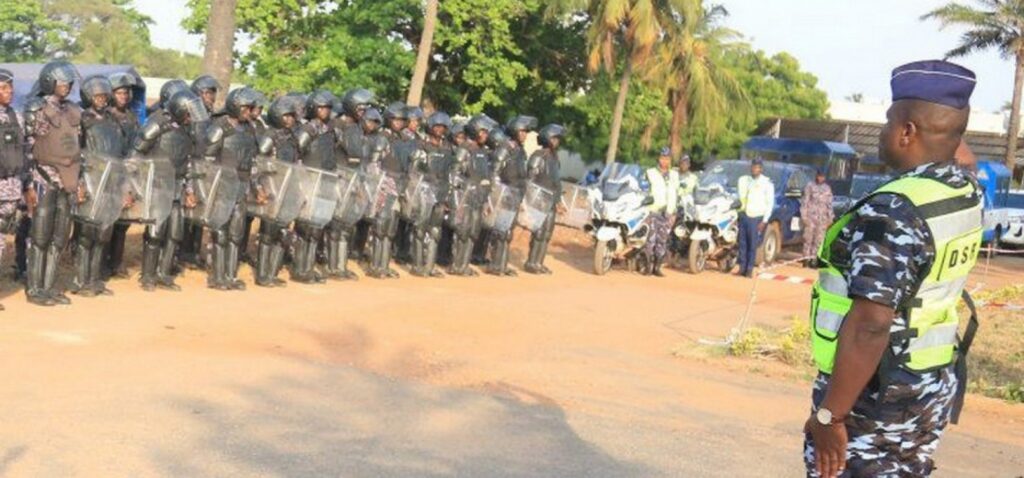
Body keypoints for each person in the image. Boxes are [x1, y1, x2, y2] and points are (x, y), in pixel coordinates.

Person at [803, 60, 984, 478]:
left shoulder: (893, 212)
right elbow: (963, 156)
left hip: (874, 399)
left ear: (907, 132)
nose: (884, 131)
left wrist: (831, 417)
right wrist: (951, 129)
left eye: (889, 120)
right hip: (928, 387)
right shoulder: (962, 191)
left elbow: (870, 324)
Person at [134, 90, 205, 291]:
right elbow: (137, 152)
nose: (191, 118)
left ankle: (164, 274)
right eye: (189, 113)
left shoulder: (188, 130)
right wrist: (139, 184)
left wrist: (190, 189)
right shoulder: (157, 124)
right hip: (157, 185)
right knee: (156, 233)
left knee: (175, 233)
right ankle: (148, 276)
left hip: (178, 186)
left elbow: (189, 162)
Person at [24, 61, 82, 306]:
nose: (66, 86)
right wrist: (28, 183)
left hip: (67, 180)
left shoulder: (73, 111)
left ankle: (50, 286)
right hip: (44, 178)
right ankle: (35, 289)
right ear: (50, 82)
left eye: (69, 82)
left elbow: (80, 146)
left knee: (59, 237)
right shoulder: (36, 109)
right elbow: (27, 146)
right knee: (40, 236)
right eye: (61, 82)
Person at [72, 75, 128, 298]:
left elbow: (121, 154)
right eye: (97, 95)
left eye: (104, 95)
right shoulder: (82, 120)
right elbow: (76, 153)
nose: (102, 99)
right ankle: (81, 280)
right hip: (91, 181)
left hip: (111, 183)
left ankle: (95, 279)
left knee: (103, 234)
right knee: (87, 234)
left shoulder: (113, 121)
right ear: (88, 97)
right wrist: (81, 183)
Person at [203, 87, 261, 291]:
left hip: (242, 186)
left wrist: (256, 186)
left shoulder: (250, 129)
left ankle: (230, 275)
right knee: (220, 232)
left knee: (236, 233)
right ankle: (217, 277)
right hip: (222, 187)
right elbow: (207, 159)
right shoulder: (219, 128)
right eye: (245, 107)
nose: (248, 111)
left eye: (250, 107)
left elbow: (254, 161)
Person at [293, 90, 342, 283]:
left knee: (317, 229)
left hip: (326, 181)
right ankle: (299, 269)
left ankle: (309, 267)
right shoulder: (307, 130)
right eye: (321, 107)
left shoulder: (330, 130)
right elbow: (297, 155)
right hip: (310, 180)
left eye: (328, 108)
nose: (325, 111)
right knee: (305, 228)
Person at [102, 72, 141, 280]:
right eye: (119, 93)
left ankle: (116, 263)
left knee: (123, 222)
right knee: (105, 222)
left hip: (127, 173)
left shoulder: (133, 117)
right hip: (107, 174)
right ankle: (101, 266)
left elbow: (137, 144)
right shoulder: (105, 116)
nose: (124, 97)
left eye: (126, 93)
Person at [486, 115, 536, 276]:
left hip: (516, 195)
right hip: (504, 195)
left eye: (526, 132)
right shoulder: (504, 148)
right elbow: (494, 172)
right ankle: (494, 265)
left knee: (508, 233)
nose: (524, 134)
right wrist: (496, 195)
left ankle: (502, 265)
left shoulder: (521, 151)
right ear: (514, 131)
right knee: (500, 232)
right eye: (521, 131)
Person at [448, 114, 496, 276]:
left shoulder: (482, 151)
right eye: (482, 131)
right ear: (474, 130)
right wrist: (456, 200)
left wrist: (487, 198)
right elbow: (454, 175)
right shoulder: (464, 149)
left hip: (479, 199)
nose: (485, 135)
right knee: (462, 232)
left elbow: (486, 177)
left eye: (486, 132)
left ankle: (464, 264)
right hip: (465, 198)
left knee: (473, 233)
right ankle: (456, 264)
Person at [409, 111, 454, 278]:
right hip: (424, 192)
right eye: (437, 126)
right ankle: (417, 265)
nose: (440, 129)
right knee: (420, 229)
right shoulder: (421, 145)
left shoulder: (448, 148)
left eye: (443, 127)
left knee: (435, 231)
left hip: (441, 194)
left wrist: (448, 196)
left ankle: (429, 266)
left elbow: (450, 173)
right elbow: (414, 169)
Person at [0, 69, 27, 311]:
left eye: (10, 88)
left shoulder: (16, 116)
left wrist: (26, 185)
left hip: (10, 187)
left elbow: (24, 151)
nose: (9, 92)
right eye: (3, 88)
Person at [523, 124, 564, 274]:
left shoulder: (554, 158)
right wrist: (530, 201)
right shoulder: (538, 155)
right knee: (539, 233)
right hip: (539, 200)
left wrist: (558, 200)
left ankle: (539, 262)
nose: (556, 141)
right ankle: (531, 262)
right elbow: (530, 179)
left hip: (551, 201)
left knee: (547, 234)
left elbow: (556, 182)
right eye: (554, 138)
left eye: (558, 139)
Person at [644, 147, 679, 277]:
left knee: (662, 241)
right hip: (653, 211)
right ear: (659, 158)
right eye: (663, 158)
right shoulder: (650, 173)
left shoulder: (674, 175)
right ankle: (648, 266)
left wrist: (673, 212)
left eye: (667, 159)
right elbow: (644, 191)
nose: (665, 161)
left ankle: (657, 267)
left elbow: (675, 194)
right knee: (650, 240)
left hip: (667, 213)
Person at [736, 159, 774, 277]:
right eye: (753, 167)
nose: (754, 169)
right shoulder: (745, 180)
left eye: (757, 167)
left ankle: (749, 269)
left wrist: (764, 221)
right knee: (742, 243)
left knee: (752, 245)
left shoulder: (766, 183)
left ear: (761, 169)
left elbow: (770, 203)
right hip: (744, 215)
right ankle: (742, 268)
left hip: (756, 217)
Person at [800, 169, 834, 264]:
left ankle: (814, 259)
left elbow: (829, 204)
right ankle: (806, 259)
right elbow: (805, 202)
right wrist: (804, 217)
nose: (821, 178)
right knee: (808, 239)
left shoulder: (827, 188)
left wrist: (830, 218)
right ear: (816, 176)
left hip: (822, 219)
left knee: (818, 240)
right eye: (819, 176)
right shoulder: (810, 186)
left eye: (822, 176)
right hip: (810, 218)